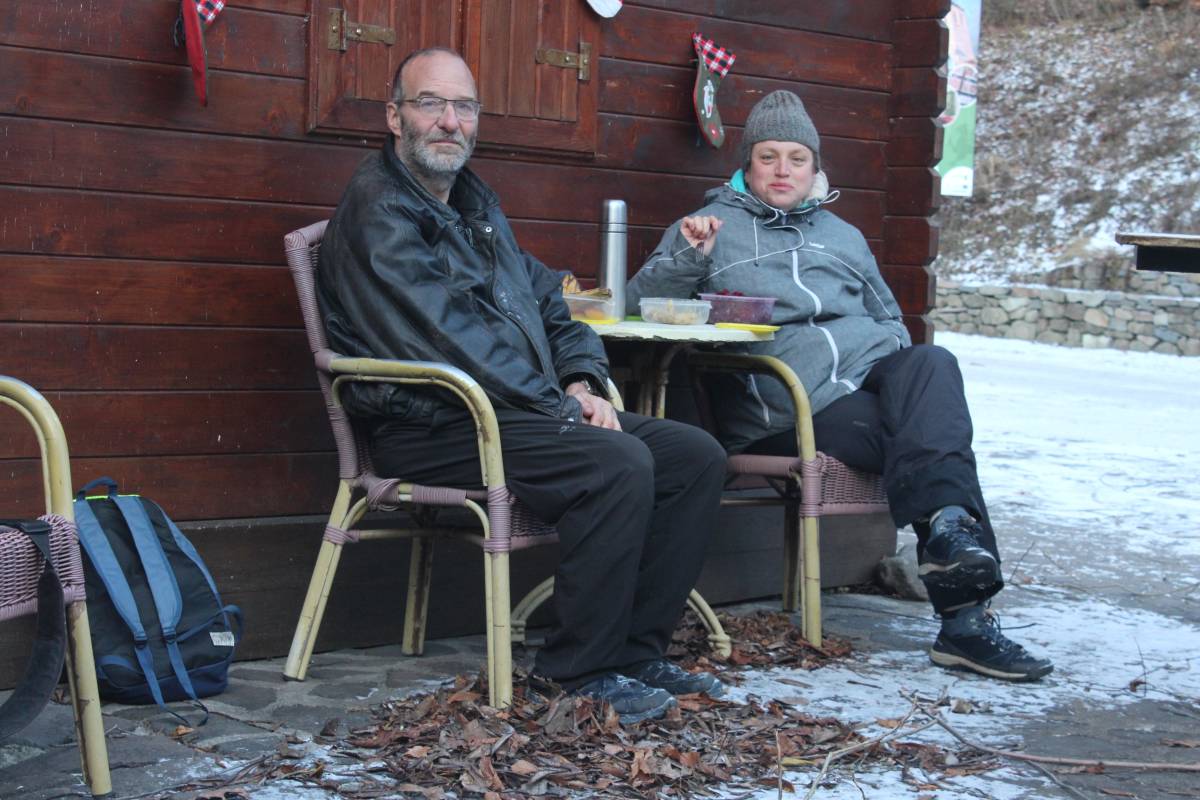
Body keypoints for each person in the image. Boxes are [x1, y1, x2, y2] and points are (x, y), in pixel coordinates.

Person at [316, 47, 728, 723]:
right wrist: (558, 404)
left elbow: (549, 301)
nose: (449, 121)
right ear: (395, 117)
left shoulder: (472, 204)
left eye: (464, 106)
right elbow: (449, 338)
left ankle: (632, 652)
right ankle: (577, 671)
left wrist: (581, 377)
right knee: (618, 461)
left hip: (509, 411)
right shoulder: (379, 214)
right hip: (430, 423)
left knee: (694, 457)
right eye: (430, 103)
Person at [626, 90, 1053, 682]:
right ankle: (965, 619)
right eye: (769, 157)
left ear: (814, 168)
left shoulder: (843, 235)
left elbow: (889, 319)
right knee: (930, 442)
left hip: (867, 378)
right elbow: (639, 302)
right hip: (788, 403)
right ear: (748, 165)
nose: (782, 170)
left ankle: (951, 534)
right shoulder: (709, 228)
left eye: (796, 158)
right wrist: (689, 259)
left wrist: (887, 368)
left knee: (932, 364)